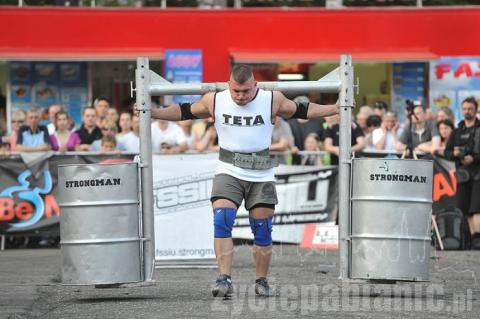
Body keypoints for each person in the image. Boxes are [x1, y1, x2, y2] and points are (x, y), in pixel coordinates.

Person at [137, 64, 339, 297]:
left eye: (245, 91)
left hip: (260, 171)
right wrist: (152, 112)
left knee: (262, 230)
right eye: (235, 91)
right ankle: (224, 278)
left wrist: (335, 108)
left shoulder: (271, 99)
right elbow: (184, 111)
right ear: (229, 85)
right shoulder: (215, 100)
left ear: (255, 85)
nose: (240, 96)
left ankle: (261, 280)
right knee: (222, 219)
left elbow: (302, 110)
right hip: (228, 168)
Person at [444, 97, 480, 248]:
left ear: (475, 109)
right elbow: (447, 152)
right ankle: (471, 239)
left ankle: (477, 238)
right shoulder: (457, 131)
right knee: (464, 208)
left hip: (478, 172)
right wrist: (456, 154)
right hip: (462, 174)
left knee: (477, 208)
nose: (467, 111)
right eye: (464, 109)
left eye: (470, 109)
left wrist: (474, 158)